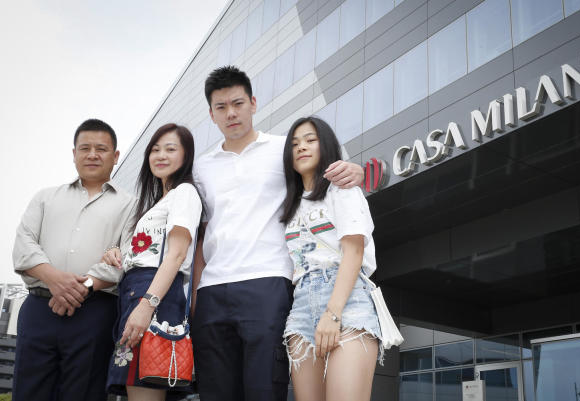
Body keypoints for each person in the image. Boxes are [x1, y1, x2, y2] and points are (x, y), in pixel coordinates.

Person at [191, 66, 364, 401]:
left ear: (253, 103)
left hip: (268, 282)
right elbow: (202, 235)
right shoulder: (201, 167)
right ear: (211, 114)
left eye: (238, 103)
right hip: (212, 290)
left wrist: (357, 170)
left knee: (264, 389)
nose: (231, 113)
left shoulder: (284, 150)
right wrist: (197, 298)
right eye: (221, 107)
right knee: (215, 392)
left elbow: (330, 169)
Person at [12, 119, 135, 401]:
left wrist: (82, 287)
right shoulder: (45, 198)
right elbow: (23, 246)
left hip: (95, 313)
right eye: (85, 148)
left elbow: (127, 258)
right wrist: (55, 279)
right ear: (74, 153)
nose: (92, 155)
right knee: (29, 391)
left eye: (101, 149)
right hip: (39, 309)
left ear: (115, 156)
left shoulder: (131, 205)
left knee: (84, 393)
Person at [280, 116, 382, 401]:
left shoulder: (342, 189)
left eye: (310, 140)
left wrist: (332, 313)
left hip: (347, 302)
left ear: (325, 145)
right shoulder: (290, 204)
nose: (301, 147)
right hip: (301, 307)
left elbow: (354, 252)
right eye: (294, 144)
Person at [100, 123, 202, 401]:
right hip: (137, 292)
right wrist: (117, 253)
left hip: (153, 294)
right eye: (155, 150)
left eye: (170, 149)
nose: (161, 155)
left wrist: (147, 305)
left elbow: (177, 255)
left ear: (186, 156)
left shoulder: (184, 192)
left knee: (144, 389)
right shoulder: (158, 201)